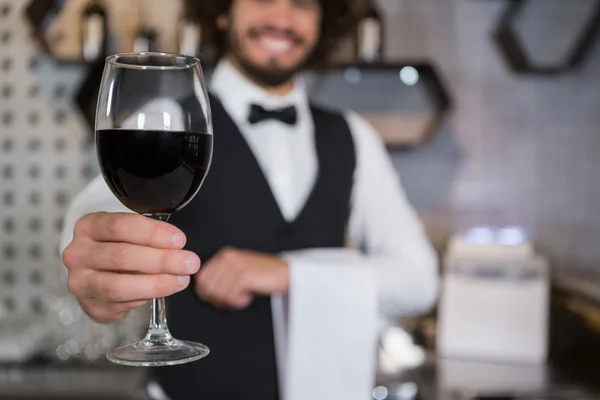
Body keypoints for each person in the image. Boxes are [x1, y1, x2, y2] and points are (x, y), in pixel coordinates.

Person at [60, 0, 439, 399]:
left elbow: (419, 279)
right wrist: (98, 272)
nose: (281, 17)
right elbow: (86, 223)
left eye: (302, 4)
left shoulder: (354, 136)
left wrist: (286, 271)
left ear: (323, 20)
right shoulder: (165, 121)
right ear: (222, 11)